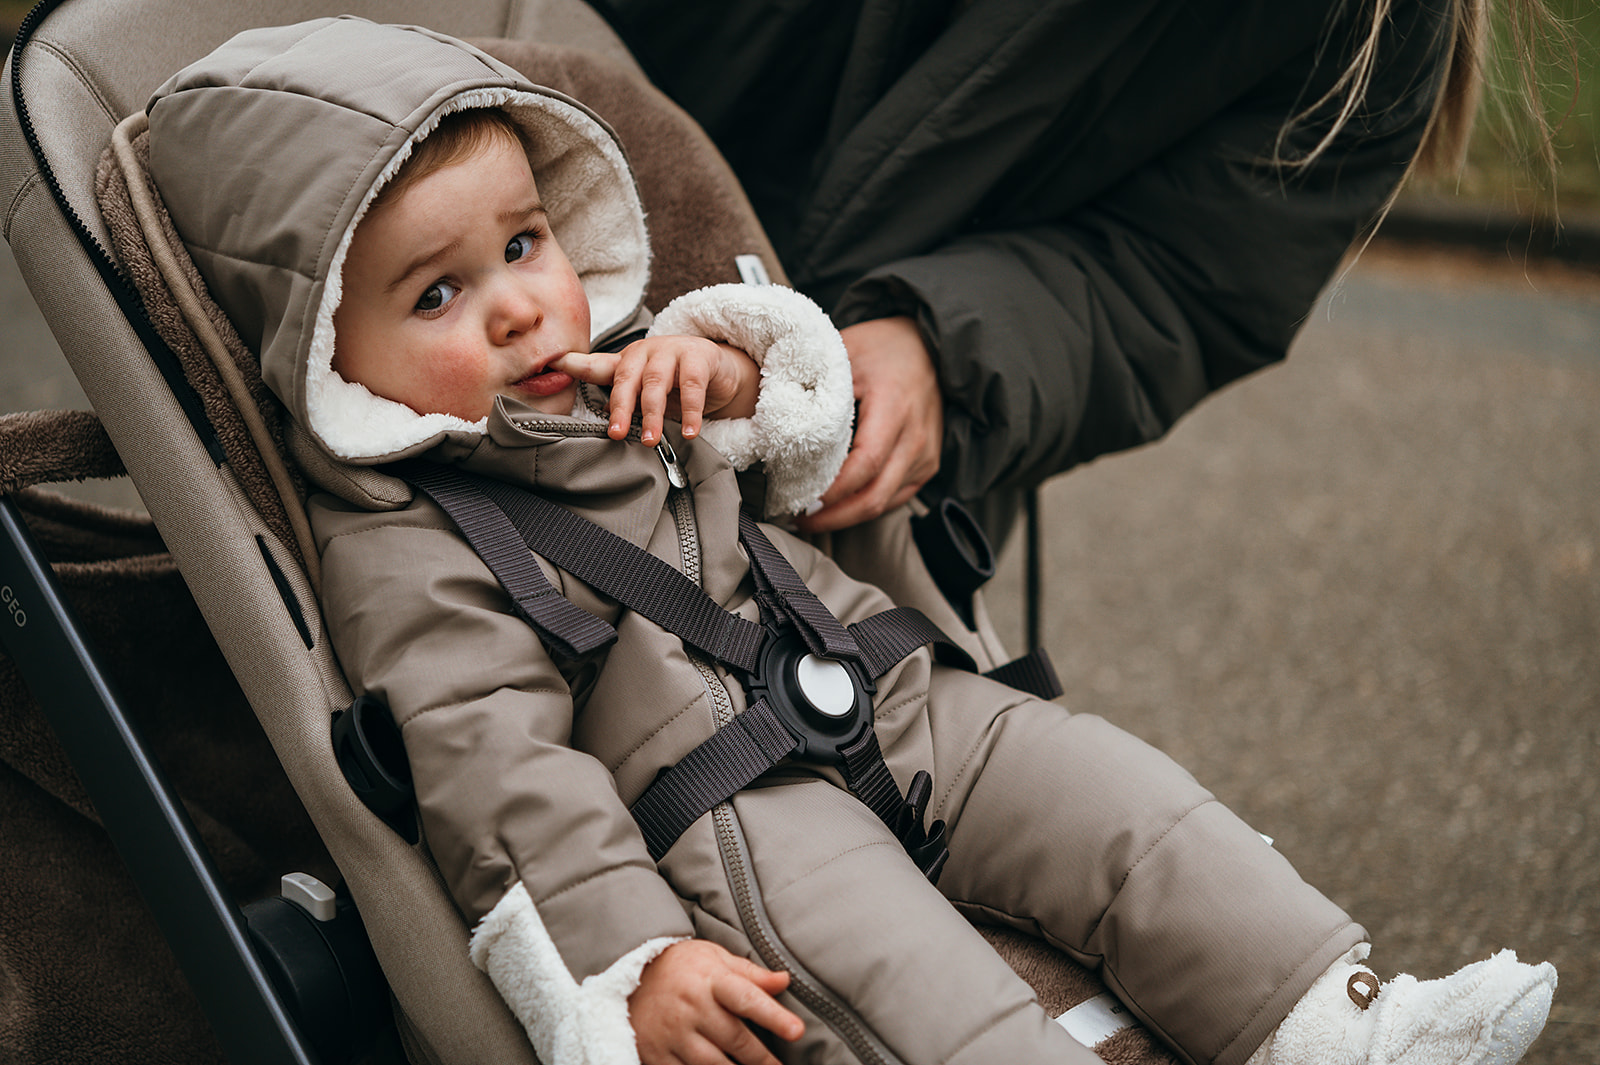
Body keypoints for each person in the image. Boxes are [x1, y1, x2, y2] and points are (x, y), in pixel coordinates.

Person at [143, 18, 1556, 1065]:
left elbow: (803, 449)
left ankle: (1333, 1022)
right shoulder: (408, 543)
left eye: (523, 246)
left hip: (890, 685)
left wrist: (750, 378)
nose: (520, 310)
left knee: (1131, 811)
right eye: (438, 293)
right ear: (332, 358)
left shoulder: (641, 375)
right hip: (735, 811)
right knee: (916, 986)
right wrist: (627, 960)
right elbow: (498, 775)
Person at [594, 0, 1497, 542]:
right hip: (530, 213)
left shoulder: (1379, 29)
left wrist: (947, 348)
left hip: (850, 478)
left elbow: (1181, 273)